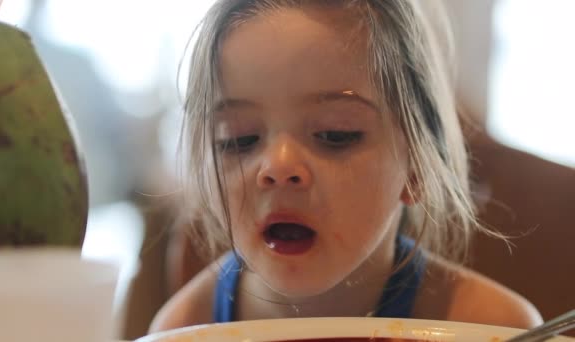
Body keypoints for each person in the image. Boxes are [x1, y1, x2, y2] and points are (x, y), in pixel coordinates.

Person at [150, 0, 542, 332]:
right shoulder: (186, 329)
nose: (279, 166)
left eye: (335, 135)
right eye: (238, 139)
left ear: (417, 166)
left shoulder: (489, 328)